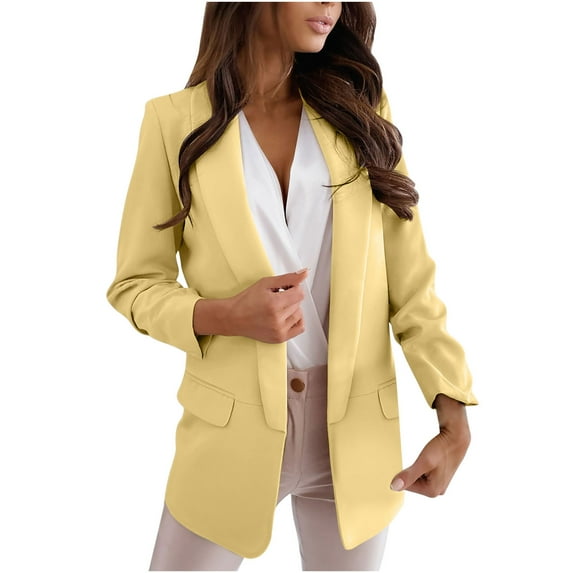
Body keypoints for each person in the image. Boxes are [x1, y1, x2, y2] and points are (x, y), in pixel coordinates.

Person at [106, 2, 478, 570]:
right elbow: (135, 283)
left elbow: (412, 286)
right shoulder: (173, 121)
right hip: (228, 435)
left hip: (356, 437)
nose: (331, 4)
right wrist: (224, 314)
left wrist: (453, 413)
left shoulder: (361, 112)